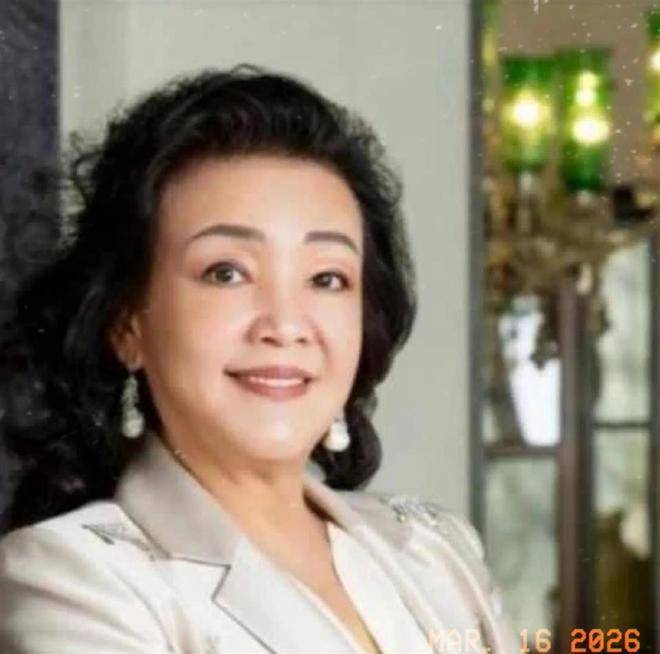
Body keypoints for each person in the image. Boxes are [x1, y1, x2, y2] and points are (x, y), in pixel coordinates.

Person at [0, 64, 517, 654]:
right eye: (227, 272)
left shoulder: (439, 549)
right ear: (126, 325)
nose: (286, 324)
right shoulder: (69, 578)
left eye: (327, 278)